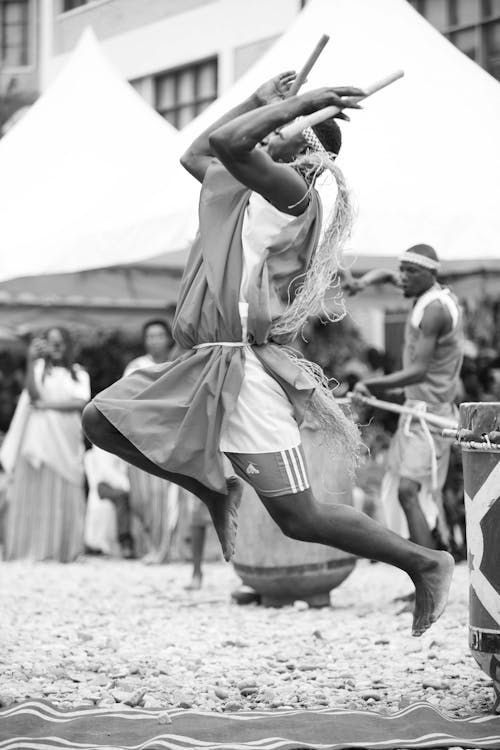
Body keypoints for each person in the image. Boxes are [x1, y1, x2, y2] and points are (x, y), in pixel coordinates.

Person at [83, 71, 454, 636]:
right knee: (100, 421)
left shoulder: (293, 194)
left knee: (300, 518)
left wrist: (302, 103)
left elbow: (230, 144)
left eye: (275, 132)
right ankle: (209, 483)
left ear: (300, 151)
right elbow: (196, 153)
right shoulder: (243, 189)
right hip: (204, 361)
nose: (261, 137)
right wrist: (258, 100)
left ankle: (424, 562)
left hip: (245, 370)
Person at [346, 244, 464, 552]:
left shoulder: (435, 310)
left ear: (430, 274)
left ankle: (428, 575)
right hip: (418, 410)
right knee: (409, 492)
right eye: (403, 270)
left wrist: (372, 385)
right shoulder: (424, 289)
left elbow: (418, 371)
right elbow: (387, 274)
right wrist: (364, 283)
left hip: (430, 415)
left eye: (411, 272)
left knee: (408, 492)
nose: (403, 278)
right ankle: (428, 569)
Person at [1, 327, 90, 561]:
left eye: (60, 342)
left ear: (68, 345)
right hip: (39, 437)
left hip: (66, 437)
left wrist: (47, 406)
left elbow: (81, 402)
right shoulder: (40, 370)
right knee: (37, 487)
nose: (56, 346)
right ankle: (33, 546)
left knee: (65, 485)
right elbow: (32, 395)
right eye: (51, 342)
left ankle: (64, 548)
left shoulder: (80, 374)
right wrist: (31, 360)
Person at [123, 319, 180, 563]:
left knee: (173, 494)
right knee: (145, 496)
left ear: (168, 338)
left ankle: (173, 548)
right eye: (150, 336)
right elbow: (127, 399)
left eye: (159, 335)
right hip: (144, 436)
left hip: (175, 435)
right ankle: (149, 546)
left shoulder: (180, 363)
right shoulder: (136, 366)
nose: (154, 340)